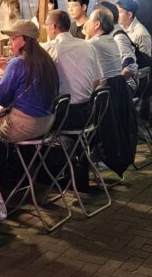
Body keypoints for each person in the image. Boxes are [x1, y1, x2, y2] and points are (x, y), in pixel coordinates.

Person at [42, 10, 102, 191]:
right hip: (88, 114)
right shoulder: (87, 46)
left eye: (46, 25)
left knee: (33, 121)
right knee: (72, 137)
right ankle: (75, 173)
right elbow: (97, 80)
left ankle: (45, 176)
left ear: (53, 27)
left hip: (64, 116)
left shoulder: (51, 48)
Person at [0, 21, 59, 143]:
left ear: (26, 39)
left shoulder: (17, 62)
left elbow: (1, 98)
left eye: (13, 39)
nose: (9, 43)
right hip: (47, 124)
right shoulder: (46, 59)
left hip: (24, 127)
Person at [95, 2, 138, 79]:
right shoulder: (109, 33)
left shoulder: (117, 37)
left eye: (94, 17)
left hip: (124, 86)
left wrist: (116, 83)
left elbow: (130, 67)